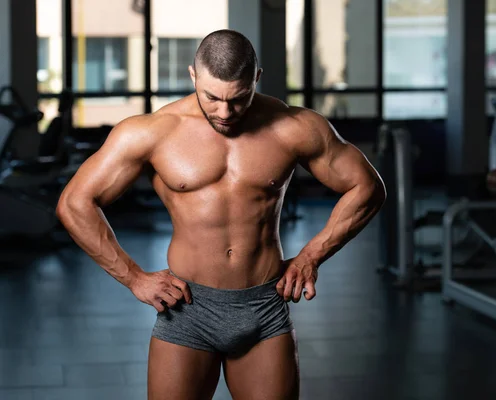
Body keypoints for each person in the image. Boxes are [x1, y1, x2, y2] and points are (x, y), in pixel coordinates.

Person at [56, 29, 386, 400]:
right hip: (187, 309)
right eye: (212, 97)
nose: (224, 112)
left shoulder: (295, 127)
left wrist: (312, 255)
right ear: (193, 76)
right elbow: (74, 203)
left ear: (256, 78)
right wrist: (134, 278)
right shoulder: (152, 132)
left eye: (238, 99)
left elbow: (367, 187)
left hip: (264, 307)